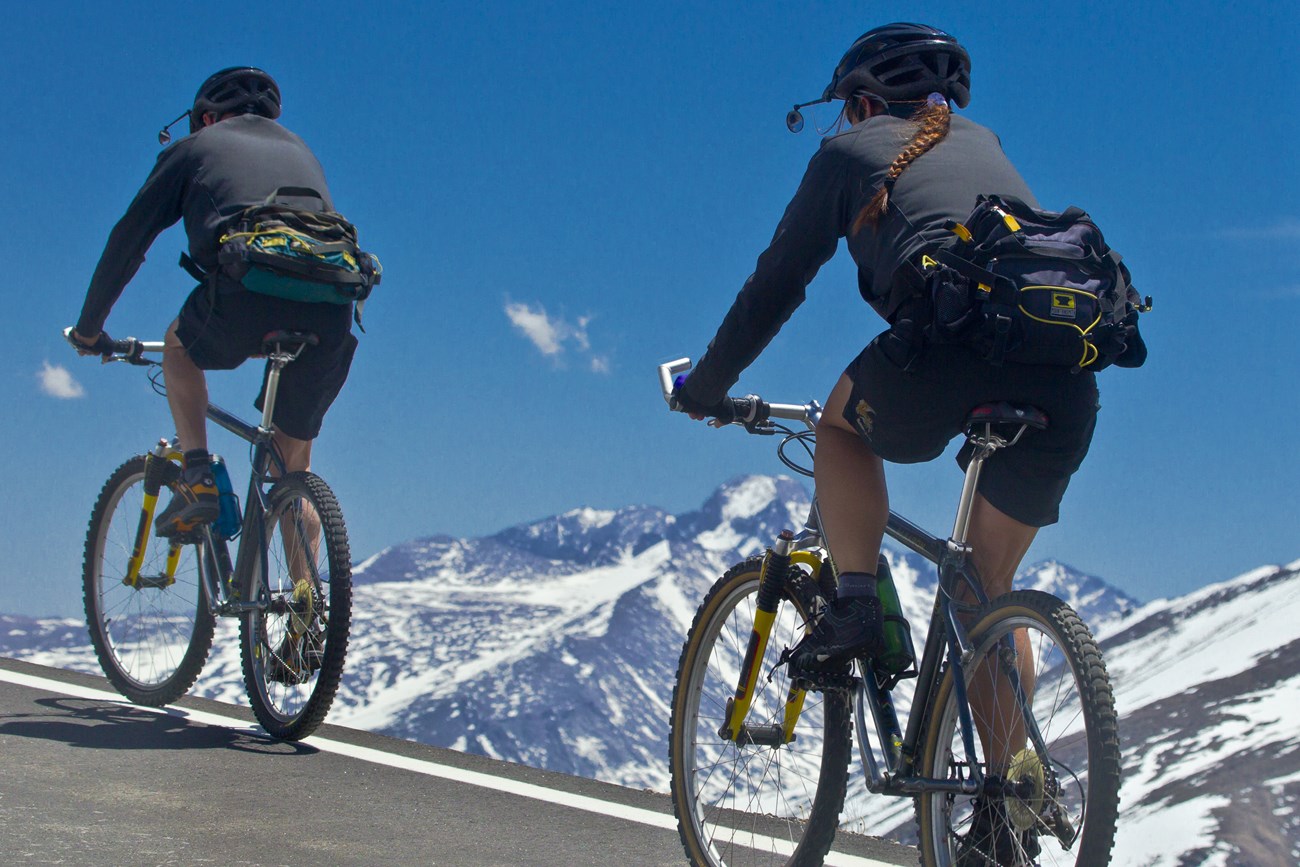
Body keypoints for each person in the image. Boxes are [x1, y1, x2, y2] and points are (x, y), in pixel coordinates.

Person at [672, 23, 1134, 862]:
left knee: (838, 427)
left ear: (857, 102)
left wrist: (705, 388)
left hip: (950, 357)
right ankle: (1004, 809)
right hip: (1068, 384)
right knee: (987, 589)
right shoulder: (983, 144)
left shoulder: (848, 157)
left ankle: (852, 603)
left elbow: (774, 286)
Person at [71, 67, 359, 538]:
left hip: (247, 295)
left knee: (178, 347)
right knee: (293, 471)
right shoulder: (301, 149)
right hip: (332, 309)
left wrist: (89, 330)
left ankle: (199, 476)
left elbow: (128, 241)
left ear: (206, 118)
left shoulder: (191, 150)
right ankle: (304, 604)